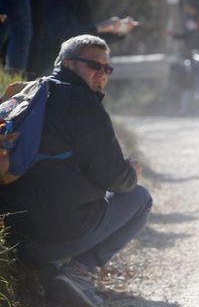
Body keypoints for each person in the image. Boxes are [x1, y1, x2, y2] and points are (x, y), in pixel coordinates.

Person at [0, 34, 152, 307]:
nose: (102, 74)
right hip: (55, 236)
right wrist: (131, 172)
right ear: (67, 64)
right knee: (139, 198)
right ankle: (78, 273)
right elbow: (114, 178)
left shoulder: (28, 94)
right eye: (95, 66)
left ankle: (47, 274)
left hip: (13, 237)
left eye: (107, 68)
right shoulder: (83, 104)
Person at [40, 0, 136, 75]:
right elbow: (62, 37)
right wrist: (100, 27)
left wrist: (119, 32)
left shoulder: (80, 1)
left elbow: (89, 39)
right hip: (46, 64)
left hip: (69, 63)